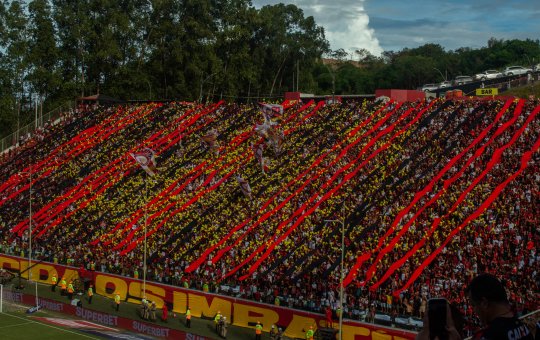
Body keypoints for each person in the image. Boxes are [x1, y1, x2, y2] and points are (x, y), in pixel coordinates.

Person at [466, 273, 533, 340]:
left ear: (484, 303)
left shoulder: (486, 336)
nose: (474, 311)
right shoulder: (524, 328)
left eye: (473, 305)